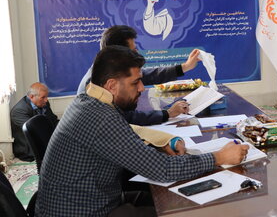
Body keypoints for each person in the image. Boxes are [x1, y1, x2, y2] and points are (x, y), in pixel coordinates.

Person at [35, 46, 248, 216]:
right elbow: (161, 170)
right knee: (184, 208)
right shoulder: (101, 117)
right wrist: (219, 157)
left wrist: (163, 141)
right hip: (85, 211)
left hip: (84, 201)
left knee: (173, 199)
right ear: (111, 85)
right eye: (135, 82)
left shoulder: (87, 101)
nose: (141, 89)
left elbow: (127, 130)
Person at [77, 25, 199, 125]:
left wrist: (185, 66)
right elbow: (124, 118)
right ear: (119, 53)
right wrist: (167, 113)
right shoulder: (94, 83)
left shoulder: (109, 70)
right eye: (133, 50)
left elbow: (150, 74)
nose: (141, 88)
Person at [10, 83, 59, 161]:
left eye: (46, 96)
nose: (46, 100)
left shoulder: (44, 103)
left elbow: (53, 120)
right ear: (31, 96)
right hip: (29, 149)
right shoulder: (19, 111)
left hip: (43, 140)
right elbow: (35, 131)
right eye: (43, 97)